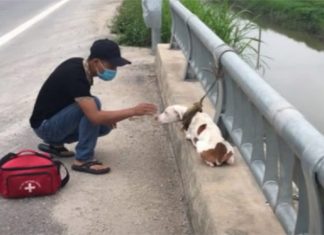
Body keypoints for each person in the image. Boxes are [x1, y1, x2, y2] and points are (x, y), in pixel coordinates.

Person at [29, 39, 157, 174]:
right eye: (112, 66)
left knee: (104, 126)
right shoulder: (75, 75)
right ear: (96, 62)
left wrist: (107, 118)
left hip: (49, 122)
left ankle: (55, 145)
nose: (114, 70)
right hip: (46, 128)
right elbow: (94, 117)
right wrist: (133, 111)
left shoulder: (79, 65)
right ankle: (83, 159)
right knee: (95, 105)